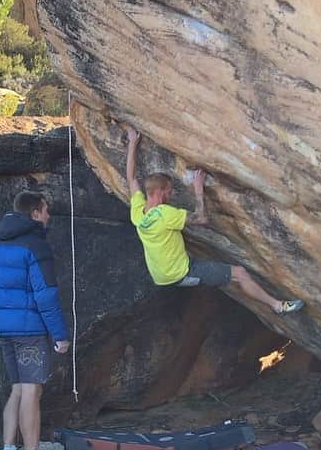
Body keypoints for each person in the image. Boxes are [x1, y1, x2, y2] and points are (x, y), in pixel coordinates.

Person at [126, 127, 304, 314]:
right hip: (182, 272)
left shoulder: (138, 212)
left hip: (160, 274)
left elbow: (131, 179)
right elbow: (201, 218)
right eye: (170, 191)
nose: (172, 194)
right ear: (161, 192)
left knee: (229, 274)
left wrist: (132, 143)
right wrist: (198, 190)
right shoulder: (164, 214)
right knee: (240, 273)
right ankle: (278, 306)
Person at [0, 190, 70, 450]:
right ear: (35, 213)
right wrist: (60, 335)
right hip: (30, 331)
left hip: (3, 329)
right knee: (31, 392)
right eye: (45, 211)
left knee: (17, 390)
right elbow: (45, 295)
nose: (48, 216)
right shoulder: (35, 246)